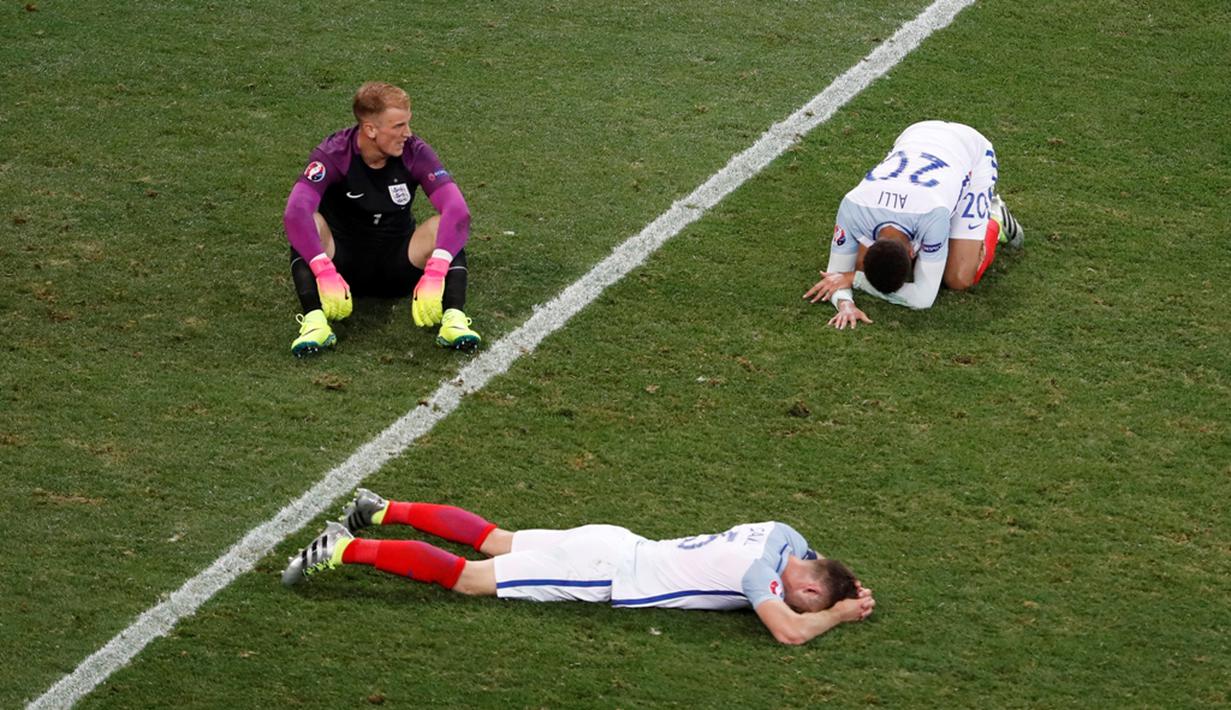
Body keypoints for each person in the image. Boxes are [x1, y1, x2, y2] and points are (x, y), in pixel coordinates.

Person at [283, 489, 876, 645]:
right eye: (808, 597)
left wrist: (843, 587)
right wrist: (842, 614)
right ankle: (343, 547)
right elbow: (789, 630)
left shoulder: (784, 536)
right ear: (798, 582)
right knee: (470, 578)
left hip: (614, 540)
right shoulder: (761, 580)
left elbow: (822, 565)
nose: (799, 603)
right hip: (607, 571)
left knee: (495, 538)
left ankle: (381, 509)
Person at [283, 81, 481, 356]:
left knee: (444, 226)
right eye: (398, 126)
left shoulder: (415, 152)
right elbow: (296, 211)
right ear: (370, 129)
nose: (407, 134)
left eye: (407, 124)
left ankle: (454, 320)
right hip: (342, 265)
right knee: (308, 223)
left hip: (399, 262)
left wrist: (436, 271)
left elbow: (458, 211)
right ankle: (314, 322)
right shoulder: (333, 154)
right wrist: (323, 270)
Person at [803, 120, 1025, 329]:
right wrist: (846, 305)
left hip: (971, 153)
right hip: (916, 136)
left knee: (958, 278)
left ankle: (994, 216)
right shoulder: (853, 206)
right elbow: (835, 275)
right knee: (859, 264)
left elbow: (923, 299)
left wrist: (854, 279)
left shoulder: (933, 217)